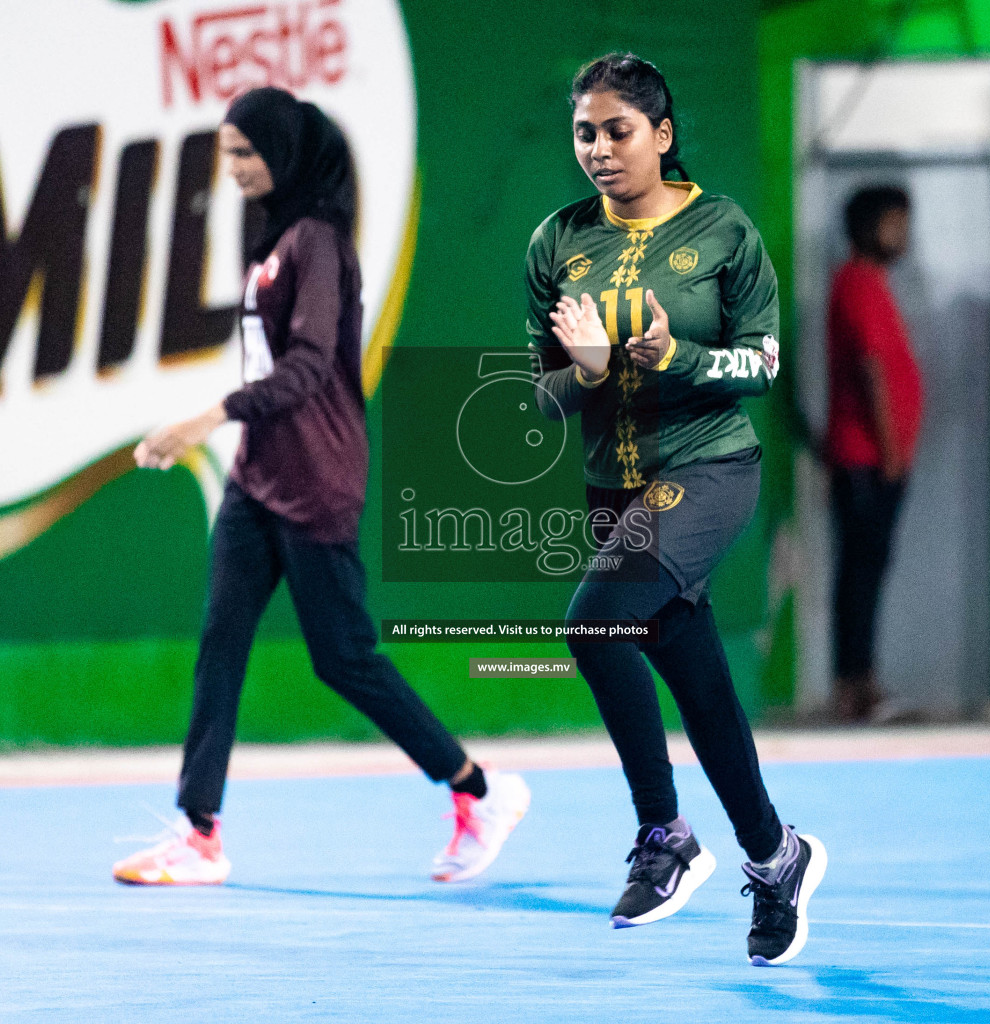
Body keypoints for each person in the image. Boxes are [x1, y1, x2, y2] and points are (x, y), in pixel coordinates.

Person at [113, 88, 529, 887]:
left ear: (287, 153)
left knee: (344, 659)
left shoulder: (320, 245)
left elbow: (307, 367)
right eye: (227, 153)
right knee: (221, 644)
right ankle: (199, 835)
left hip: (317, 482)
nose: (232, 169)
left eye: (245, 153)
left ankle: (480, 791)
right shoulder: (273, 243)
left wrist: (208, 418)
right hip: (256, 479)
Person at [530, 53, 825, 966]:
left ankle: (666, 835)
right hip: (611, 485)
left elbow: (764, 366)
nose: (599, 149)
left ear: (661, 135)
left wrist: (675, 359)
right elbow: (542, 396)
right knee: (697, 684)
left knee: (592, 626)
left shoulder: (725, 231)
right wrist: (582, 370)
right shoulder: (556, 241)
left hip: (707, 468)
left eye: (618, 131)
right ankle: (777, 858)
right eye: (585, 132)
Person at [824, 186, 922, 723]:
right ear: (869, 228)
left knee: (868, 571)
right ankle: (855, 688)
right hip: (865, 458)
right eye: (895, 224)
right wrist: (889, 450)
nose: (904, 235)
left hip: (874, 457)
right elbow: (870, 368)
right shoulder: (858, 281)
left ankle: (861, 683)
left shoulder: (873, 283)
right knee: (859, 574)